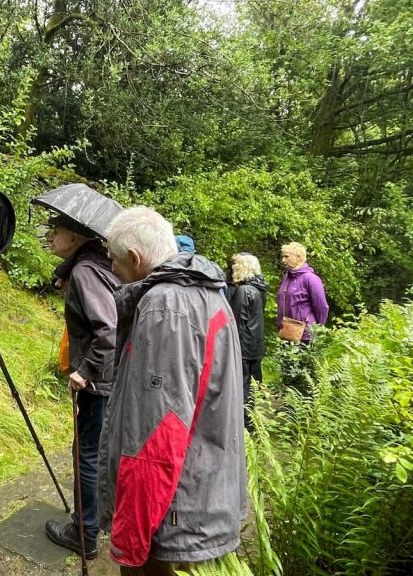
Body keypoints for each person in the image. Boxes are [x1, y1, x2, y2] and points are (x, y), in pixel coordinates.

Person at [98, 207, 246, 575]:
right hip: (198, 493)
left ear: (134, 257)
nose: (111, 269)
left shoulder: (166, 306)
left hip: (173, 510)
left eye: (113, 260)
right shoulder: (206, 291)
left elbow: (156, 434)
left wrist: (130, 537)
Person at [43, 213, 120, 561]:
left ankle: (84, 534)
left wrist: (84, 371)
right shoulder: (97, 263)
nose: (49, 236)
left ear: (74, 237)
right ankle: (96, 523)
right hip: (112, 376)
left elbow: (106, 329)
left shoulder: (86, 271)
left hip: (98, 380)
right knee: (97, 452)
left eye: (55, 231)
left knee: (86, 454)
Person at [229, 253, 269, 430]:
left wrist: (231, 345)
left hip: (243, 345)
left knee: (243, 384)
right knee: (253, 383)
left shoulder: (244, 290)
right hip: (256, 344)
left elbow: (238, 322)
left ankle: (246, 424)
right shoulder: (260, 288)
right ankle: (253, 420)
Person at [276, 242, 329, 343]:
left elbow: (321, 306)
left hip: (305, 335)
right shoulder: (287, 277)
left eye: (286, 256)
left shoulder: (311, 279)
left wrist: (317, 329)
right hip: (286, 332)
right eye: (283, 257)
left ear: (298, 257)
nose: (283, 260)